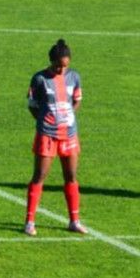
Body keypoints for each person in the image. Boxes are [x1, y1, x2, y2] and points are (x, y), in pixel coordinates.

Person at [25, 38, 87, 235]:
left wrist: (68, 114)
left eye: (65, 66)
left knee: (71, 176)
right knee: (40, 175)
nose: (62, 70)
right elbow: (32, 106)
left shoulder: (74, 77)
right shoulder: (39, 79)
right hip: (48, 135)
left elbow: (76, 100)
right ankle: (29, 222)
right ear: (51, 61)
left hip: (69, 133)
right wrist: (45, 121)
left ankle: (74, 220)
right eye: (58, 66)